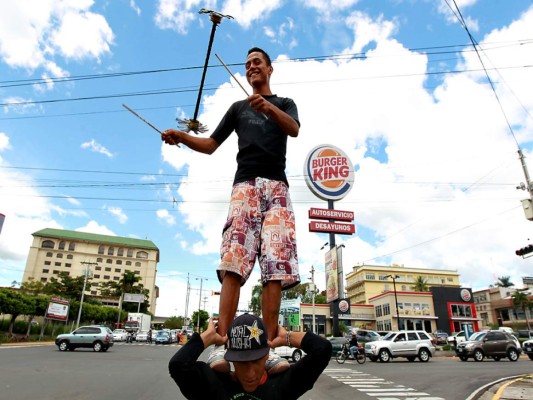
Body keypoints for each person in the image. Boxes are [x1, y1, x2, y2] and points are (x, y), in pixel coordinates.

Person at [162, 47, 300, 375]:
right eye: (248, 64)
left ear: (270, 69)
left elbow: (293, 129)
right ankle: (223, 344)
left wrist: (268, 107)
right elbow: (210, 145)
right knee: (234, 262)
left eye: (257, 63)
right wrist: (181, 136)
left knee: (275, 267)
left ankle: (265, 350)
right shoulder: (238, 108)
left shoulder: (284, 103)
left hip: (278, 188)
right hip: (244, 187)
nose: (252, 67)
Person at [168, 314, 331, 399]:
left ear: (267, 355)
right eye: (242, 363)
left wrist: (287, 337)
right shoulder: (214, 386)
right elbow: (178, 366)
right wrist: (209, 337)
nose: (250, 373)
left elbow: (322, 350)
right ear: (230, 358)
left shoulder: (282, 387)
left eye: (256, 361)